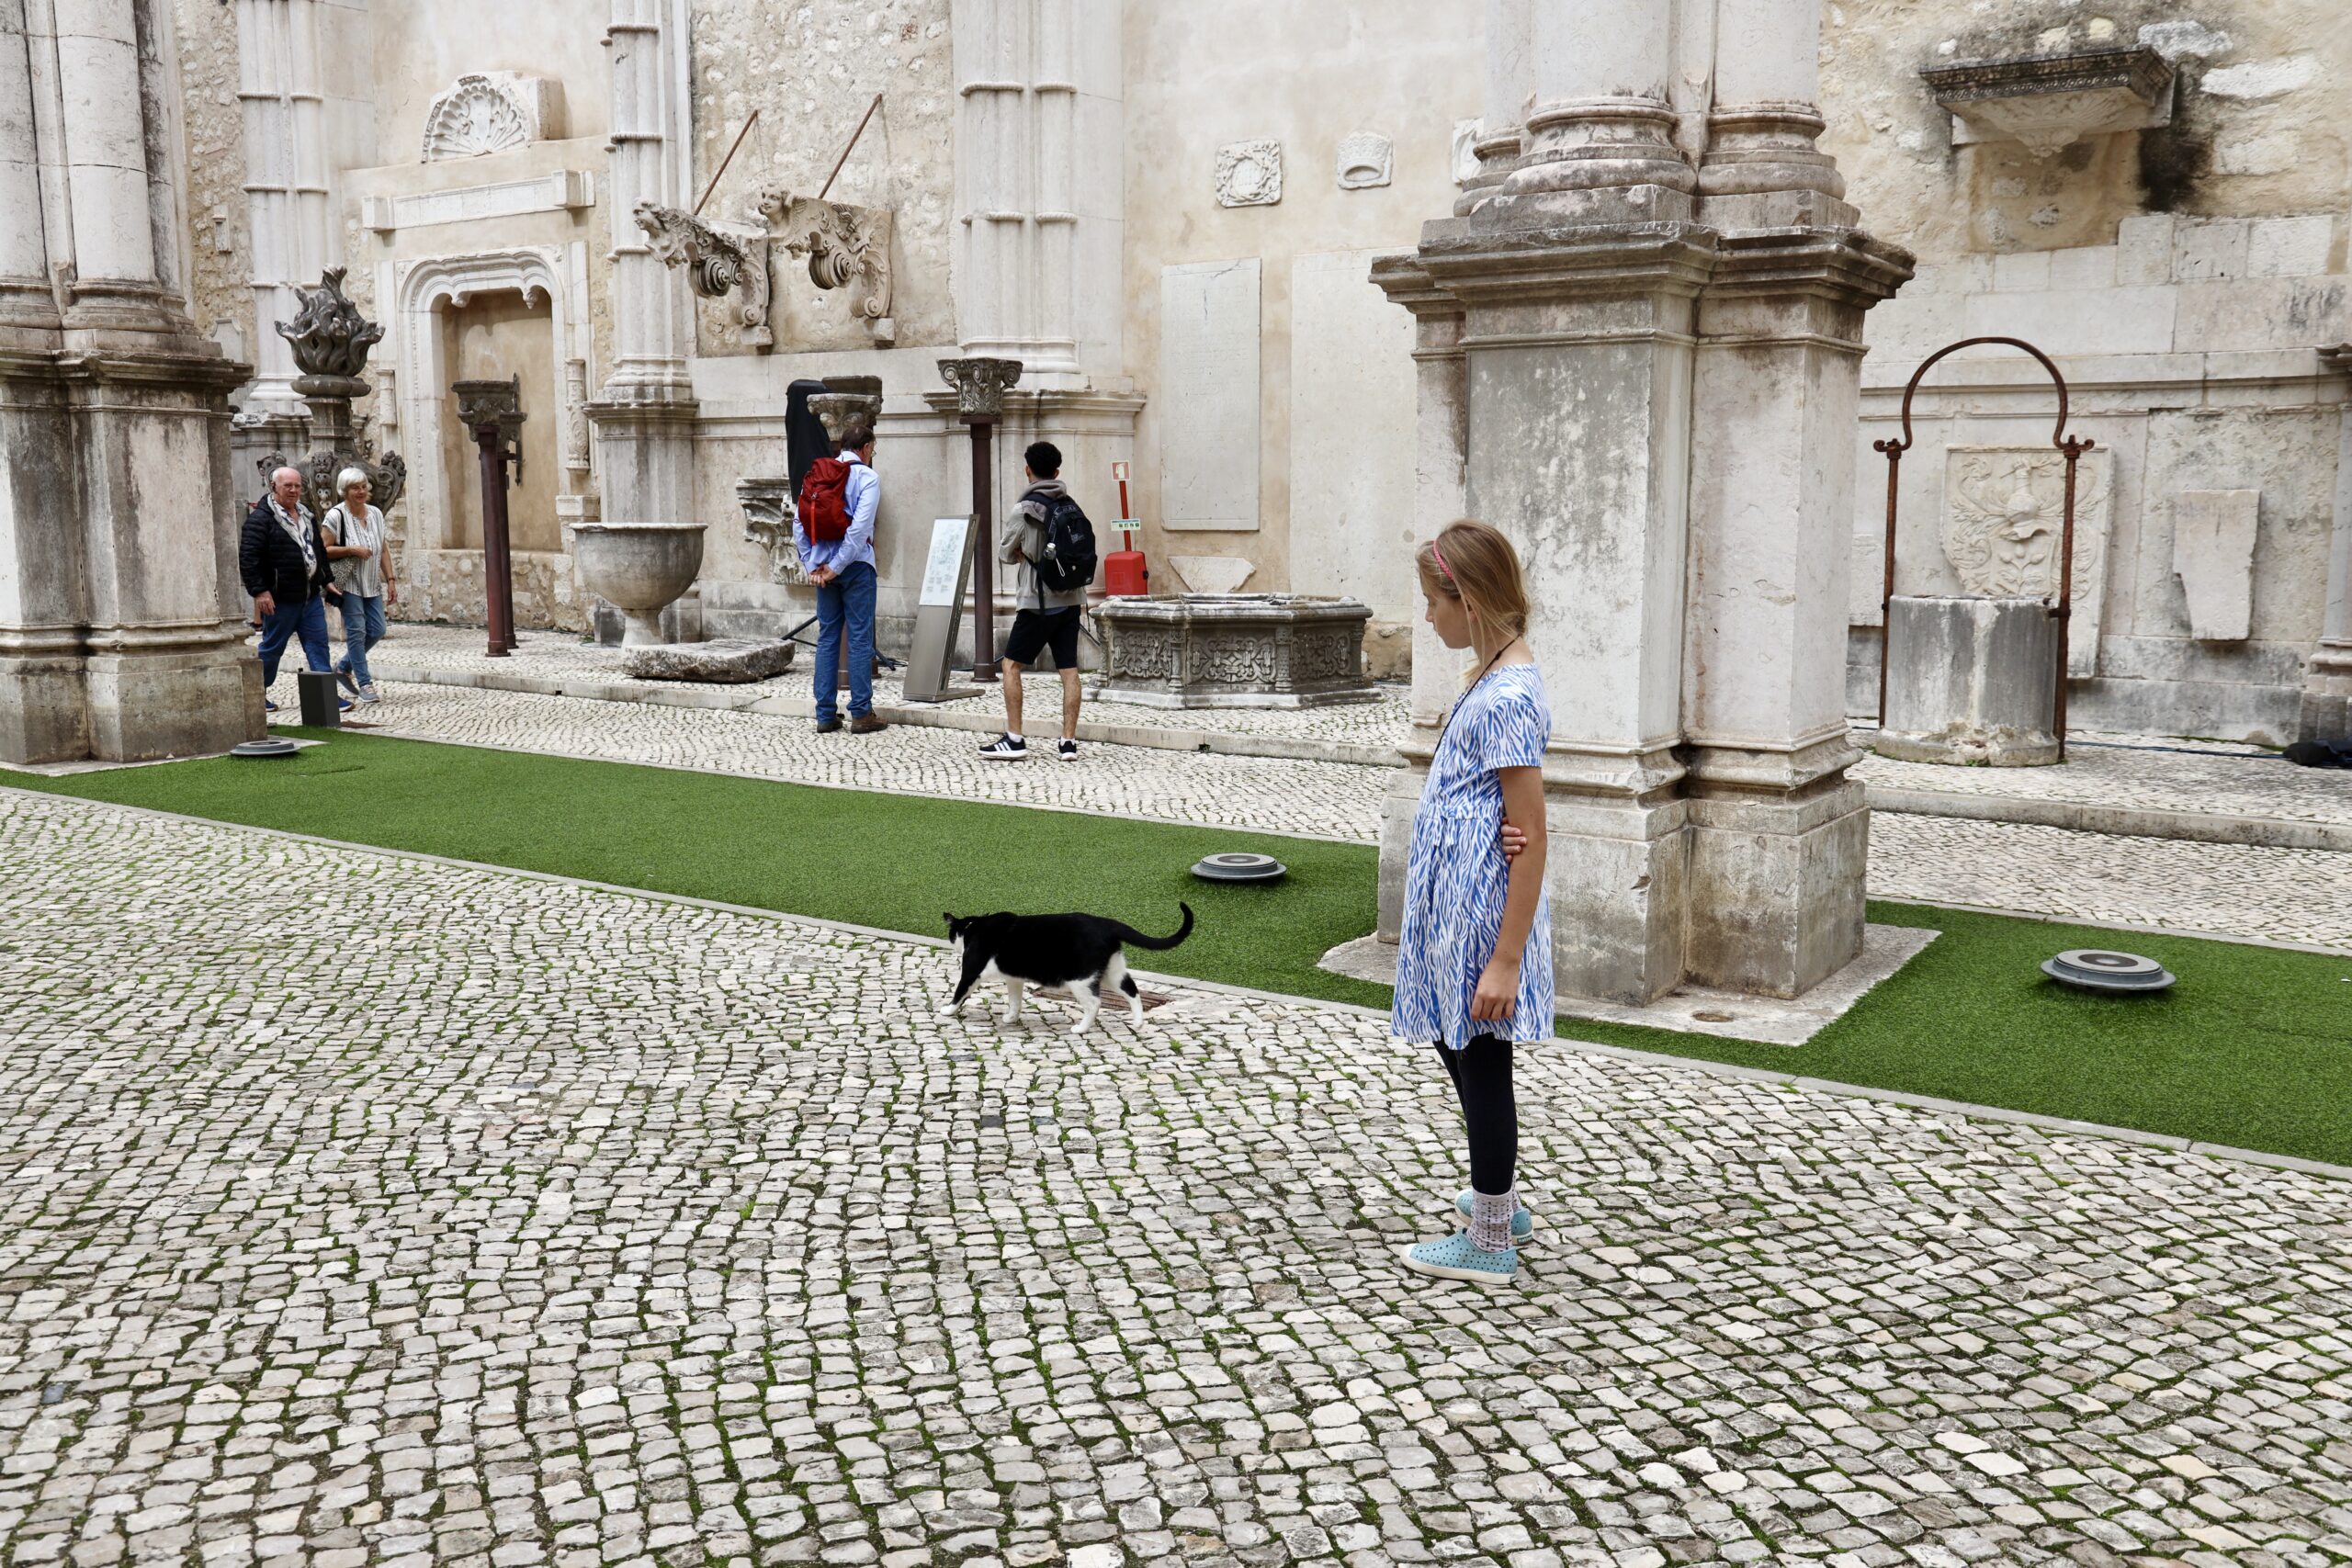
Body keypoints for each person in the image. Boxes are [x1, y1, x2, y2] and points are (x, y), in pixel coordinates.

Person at [1389, 518, 1552, 1287]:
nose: (1427, 617)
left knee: (1482, 1062)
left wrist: (1506, 959)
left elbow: (1534, 829)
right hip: (1461, 910)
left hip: (1484, 918)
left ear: (1473, 601)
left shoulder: (1510, 692)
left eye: (1432, 601)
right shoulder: (1489, 675)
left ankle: (1489, 1239)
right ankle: (1500, 1198)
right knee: (1462, 1050)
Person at [979, 441, 1089, 761]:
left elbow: (1004, 552)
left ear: (1028, 470)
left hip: (1037, 600)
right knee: (1069, 670)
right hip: (1071, 600)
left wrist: (1022, 553)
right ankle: (1068, 742)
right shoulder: (1071, 505)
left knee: (1011, 665)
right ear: (1057, 472)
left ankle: (1015, 738)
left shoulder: (1025, 509)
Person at [796, 423, 887, 735]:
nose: (872, 454)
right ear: (865, 448)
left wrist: (813, 564)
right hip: (857, 567)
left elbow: (799, 522)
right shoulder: (868, 478)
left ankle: (824, 714)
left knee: (828, 638)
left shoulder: (819, 475)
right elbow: (860, 530)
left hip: (822, 569)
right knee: (860, 637)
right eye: (872, 449)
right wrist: (837, 565)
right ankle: (861, 713)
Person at [239, 466, 346, 716]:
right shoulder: (260, 520)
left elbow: (317, 550)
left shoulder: (307, 515)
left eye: (297, 486)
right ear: (274, 486)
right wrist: (260, 592)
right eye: (288, 485)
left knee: (319, 646)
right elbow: (248, 559)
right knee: (273, 648)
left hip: (308, 597)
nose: (294, 490)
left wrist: (326, 580)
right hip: (279, 599)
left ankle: (326, 696)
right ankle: (256, 694)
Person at [321, 467, 394, 704]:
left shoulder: (375, 514)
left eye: (363, 486)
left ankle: (342, 667)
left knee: (378, 629)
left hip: (372, 584)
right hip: (349, 584)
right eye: (355, 488)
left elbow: (383, 549)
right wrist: (351, 549)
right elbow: (322, 550)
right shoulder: (336, 516)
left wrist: (391, 579)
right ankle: (365, 683)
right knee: (357, 631)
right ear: (345, 491)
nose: (361, 491)